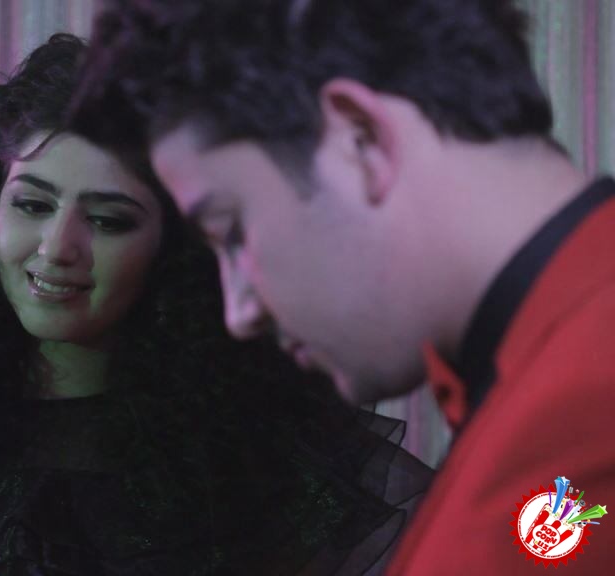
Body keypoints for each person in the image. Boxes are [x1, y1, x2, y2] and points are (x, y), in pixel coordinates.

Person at [0, 34, 430, 575]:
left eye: (107, 220)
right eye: (32, 205)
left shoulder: (265, 471)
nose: (57, 247)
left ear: (180, 250)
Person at [67, 0, 615, 573]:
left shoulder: (584, 402)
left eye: (231, 231)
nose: (239, 312)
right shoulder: (531, 378)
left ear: (360, 140)